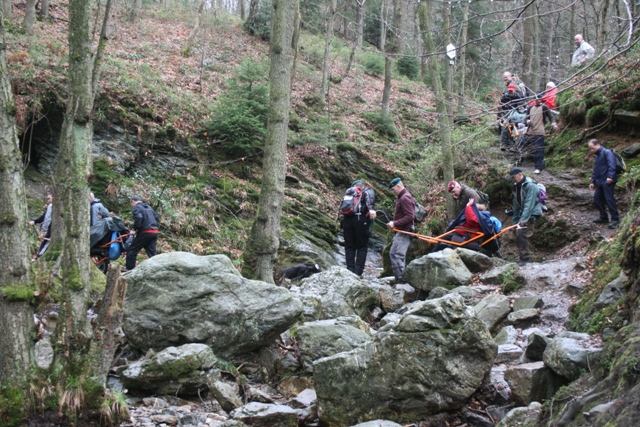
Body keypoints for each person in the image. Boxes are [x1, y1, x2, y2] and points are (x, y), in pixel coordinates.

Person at [341, 179, 376, 277]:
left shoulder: (348, 193)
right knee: (362, 246)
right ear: (362, 186)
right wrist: (371, 210)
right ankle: (358, 272)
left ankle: (349, 270)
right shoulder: (366, 191)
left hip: (347, 220)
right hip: (360, 220)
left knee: (349, 246)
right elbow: (371, 202)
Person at [509, 167, 542, 266]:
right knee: (517, 233)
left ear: (520, 174)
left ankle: (526, 260)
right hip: (523, 213)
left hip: (532, 213)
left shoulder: (530, 185)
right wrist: (515, 222)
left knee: (522, 233)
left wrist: (523, 220)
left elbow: (529, 204)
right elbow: (516, 203)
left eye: (513, 177)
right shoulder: (517, 185)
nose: (512, 179)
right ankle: (524, 258)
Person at [386, 178, 415, 284]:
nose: (393, 192)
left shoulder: (404, 198)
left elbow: (410, 216)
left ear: (398, 186)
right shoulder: (402, 197)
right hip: (401, 231)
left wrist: (395, 223)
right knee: (393, 253)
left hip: (404, 232)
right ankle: (399, 278)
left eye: (393, 189)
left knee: (397, 255)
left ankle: (402, 279)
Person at [523, 95, 558, 174]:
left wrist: (553, 124)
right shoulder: (530, 108)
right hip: (530, 131)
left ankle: (538, 167)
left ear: (541, 99)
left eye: (539, 99)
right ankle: (517, 162)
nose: (538, 100)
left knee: (538, 150)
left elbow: (550, 116)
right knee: (522, 145)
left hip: (539, 131)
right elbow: (526, 119)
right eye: (536, 99)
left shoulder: (544, 107)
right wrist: (527, 121)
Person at [588, 139, 619, 229]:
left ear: (598, 145)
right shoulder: (598, 156)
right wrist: (592, 181)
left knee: (609, 200)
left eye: (592, 148)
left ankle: (615, 219)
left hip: (608, 181)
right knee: (597, 199)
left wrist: (610, 176)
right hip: (600, 182)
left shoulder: (607, 152)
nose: (591, 150)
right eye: (590, 149)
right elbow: (596, 170)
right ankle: (604, 217)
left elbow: (612, 165)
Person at [126, 195, 160, 271]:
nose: (132, 206)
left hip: (145, 232)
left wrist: (134, 229)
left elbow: (139, 218)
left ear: (132, 201)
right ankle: (157, 270)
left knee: (132, 250)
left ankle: (130, 270)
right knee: (152, 254)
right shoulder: (148, 207)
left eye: (131, 204)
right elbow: (157, 217)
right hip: (154, 231)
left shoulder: (137, 207)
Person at [29, 193, 53, 259]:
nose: (48, 201)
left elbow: (47, 218)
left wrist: (43, 232)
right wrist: (35, 222)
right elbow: (44, 216)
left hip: (52, 229)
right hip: (54, 229)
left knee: (46, 243)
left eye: (49, 198)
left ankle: (39, 258)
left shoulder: (51, 206)